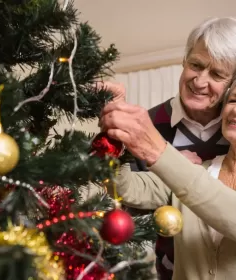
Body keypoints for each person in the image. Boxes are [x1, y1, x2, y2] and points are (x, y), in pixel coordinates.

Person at [99, 17, 236, 279]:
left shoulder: (231, 129)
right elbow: (125, 202)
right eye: (195, 65)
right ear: (184, 61)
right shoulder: (145, 126)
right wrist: (113, 133)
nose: (199, 81)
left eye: (217, 74)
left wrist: (169, 161)